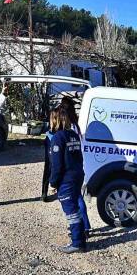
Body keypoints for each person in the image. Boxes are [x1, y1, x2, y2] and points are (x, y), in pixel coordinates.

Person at [48, 107, 86, 253]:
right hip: (77, 175)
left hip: (66, 179)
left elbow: (56, 164)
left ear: (55, 120)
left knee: (71, 211)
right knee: (75, 208)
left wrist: (53, 182)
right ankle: (80, 237)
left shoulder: (58, 137)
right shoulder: (73, 135)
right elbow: (79, 157)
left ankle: (77, 243)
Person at [59, 96, 92, 236]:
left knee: (76, 198)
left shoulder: (70, 126)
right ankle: (83, 225)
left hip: (73, 167)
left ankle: (82, 227)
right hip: (78, 165)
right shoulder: (76, 124)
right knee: (77, 197)